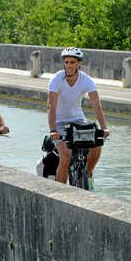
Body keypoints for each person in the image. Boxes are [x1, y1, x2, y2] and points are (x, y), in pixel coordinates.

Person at [48, 47, 110, 184]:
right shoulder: (56, 79)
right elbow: (51, 107)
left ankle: (85, 176)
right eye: (66, 62)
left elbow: (97, 105)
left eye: (72, 62)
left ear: (79, 64)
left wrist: (104, 128)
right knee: (66, 157)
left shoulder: (86, 80)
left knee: (97, 144)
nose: (69, 66)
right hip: (59, 123)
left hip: (79, 121)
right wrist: (53, 130)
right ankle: (61, 191)